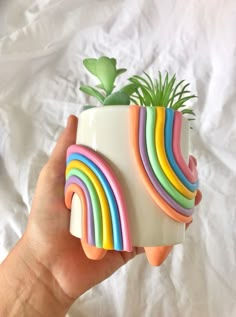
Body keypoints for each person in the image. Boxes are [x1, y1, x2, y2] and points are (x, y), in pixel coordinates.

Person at [0, 116, 202, 316]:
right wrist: (40, 265)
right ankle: (108, 238)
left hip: (149, 214)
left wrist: (39, 268)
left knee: (158, 228)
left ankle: (148, 238)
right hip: (93, 222)